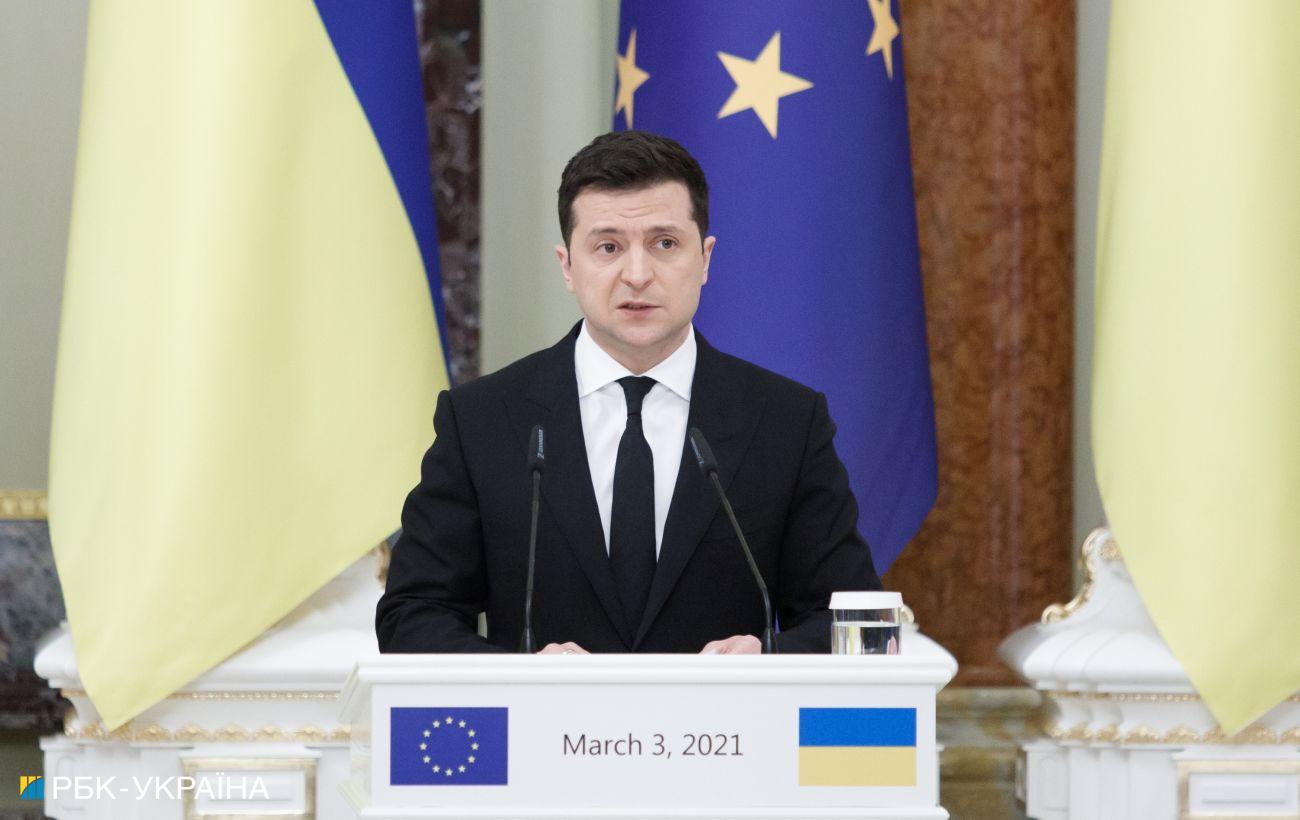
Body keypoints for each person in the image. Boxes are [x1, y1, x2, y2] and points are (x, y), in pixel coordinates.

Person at [376, 131, 880, 655]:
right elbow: (412, 616)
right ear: (568, 266)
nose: (637, 275)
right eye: (608, 247)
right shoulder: (482, 420)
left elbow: (854, 621)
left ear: (705, 259)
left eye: (665, 244)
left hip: (723, 712)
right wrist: (520, 677)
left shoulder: (785, 422)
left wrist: (766, 661)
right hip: (544, 712)